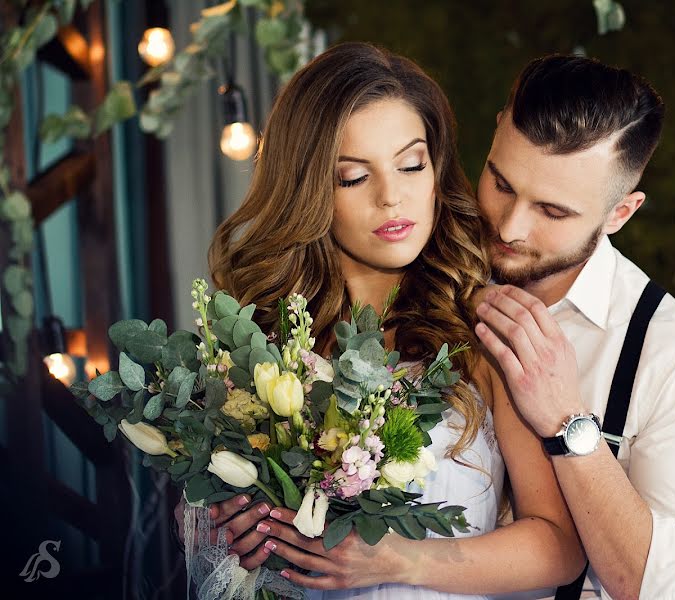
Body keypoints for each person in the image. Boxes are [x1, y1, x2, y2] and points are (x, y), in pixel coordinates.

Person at [175, 42, 584, 598]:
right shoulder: (257, 348)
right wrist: (233, 523)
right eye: (352, 177)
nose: (393, 197)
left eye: (411, 164)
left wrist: (400, 560)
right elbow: (214, 539)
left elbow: (559, 547)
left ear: (436, 168)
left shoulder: (482, 333)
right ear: (310, 188)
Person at [474, 56, 675, 599]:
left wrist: (569, 424)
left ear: (620, 214)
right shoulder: (426, 266)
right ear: (498, 128)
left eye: (552, 211)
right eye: (500, 182)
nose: (510, 225)